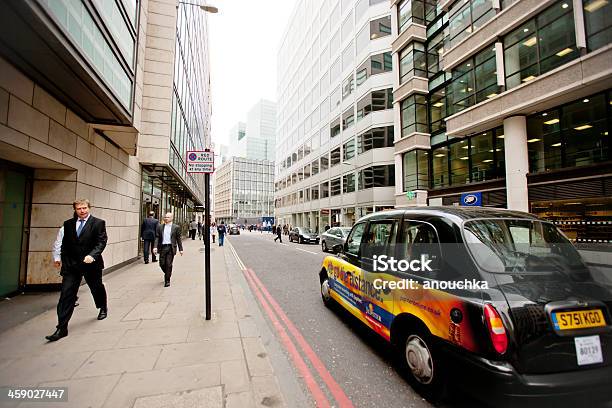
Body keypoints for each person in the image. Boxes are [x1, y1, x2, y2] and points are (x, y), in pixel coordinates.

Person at [46, 199, 108, 342]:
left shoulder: (98, 223)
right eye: (79, 208)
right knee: (66, 294)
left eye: (85, 208)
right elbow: (62, 243)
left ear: (89, 208)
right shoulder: (67, 225)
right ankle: (61, 327)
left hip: (91, 264)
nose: (82, 210)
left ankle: (102, 307)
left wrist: (92, 256)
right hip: (72, 266)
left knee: (96, 288)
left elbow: (101, 241)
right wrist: (58, 258)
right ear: (75, 209)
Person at [153, 212, 183, 287]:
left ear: (172, 218)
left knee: (168, 264)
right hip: (162, 247)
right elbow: (157, 237)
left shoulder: (176, 227)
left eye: (168, 217)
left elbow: (178, 239)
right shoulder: (160, 227)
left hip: (171, 248)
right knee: (162, 264)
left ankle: (167, 280)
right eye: (165, 217)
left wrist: (180, 249)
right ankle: (168, 273)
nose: (166, 218)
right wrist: (155, 247)